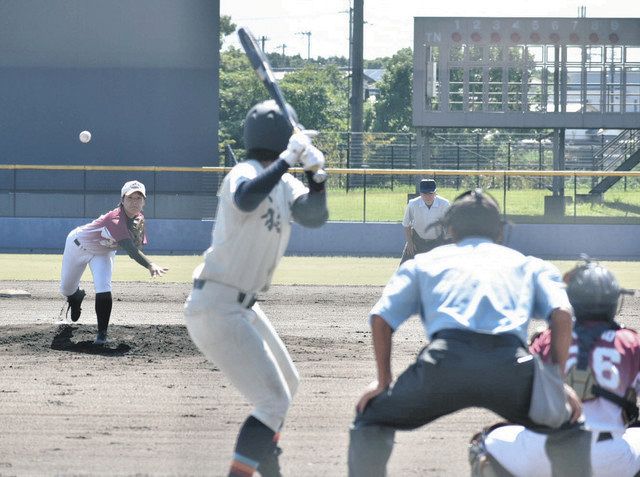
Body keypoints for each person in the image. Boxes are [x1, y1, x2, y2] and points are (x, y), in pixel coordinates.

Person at [348, 188, 585, 477]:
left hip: (444, 365)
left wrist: (383, 382)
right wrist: (555, 382)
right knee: (569, 426)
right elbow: (562, 314)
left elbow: (381, 318)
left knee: (371, 418)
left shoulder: (424, 263)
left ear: (450, 229)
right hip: (510, 366)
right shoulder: (528, 264)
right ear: (500, 231)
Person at [183, 99, 329, 477]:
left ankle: (269, 465)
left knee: (287, 386)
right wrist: (288, 158)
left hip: (241, 306)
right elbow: (246, 198)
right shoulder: (242, 171)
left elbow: (315, 217)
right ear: (283, 138)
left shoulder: (284, 181)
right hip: (216, 303)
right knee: (272, 400)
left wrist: (316, 177)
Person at [470, 258, 640, 477]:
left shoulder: (549, 338)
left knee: (482, 444)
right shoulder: (631, 342)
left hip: (543, 452)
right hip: (610, 459)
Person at [59, 180, 168, 345]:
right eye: (130, 198)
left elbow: (137, 244)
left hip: (103, 253)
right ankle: (75, 297)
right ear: (122, 200)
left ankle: (101, 335)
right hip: (77, 245)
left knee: (104, 287)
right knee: (66, 288)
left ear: (144, 202)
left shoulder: (139, 219)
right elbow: (132, 250)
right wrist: (150, 264)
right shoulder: (115, 219)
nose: (134, 202)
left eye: (139, 198)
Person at [400, 178, 449, 264]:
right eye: (424, 193)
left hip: (438, 242)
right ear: (420, 193)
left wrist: (447, 244)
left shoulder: (444, 204)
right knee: (403, 271)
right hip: (417, 241)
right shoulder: (413, 204)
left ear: (435, 193)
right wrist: (410, 242)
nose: (427, 196)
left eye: (430, 193)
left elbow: (449, 226)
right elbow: (406, 225)